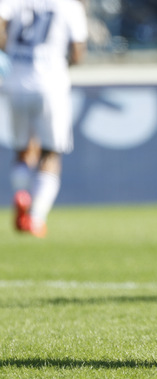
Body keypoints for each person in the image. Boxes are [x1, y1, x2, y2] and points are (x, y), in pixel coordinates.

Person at [0, 0, 88, 238]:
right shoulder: (69, 6)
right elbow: (78, 52)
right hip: (50, 84)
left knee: (22, 149)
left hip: (14, 82)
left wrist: (10, 52)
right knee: (50, 153)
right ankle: (36, 217)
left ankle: (21, 194)